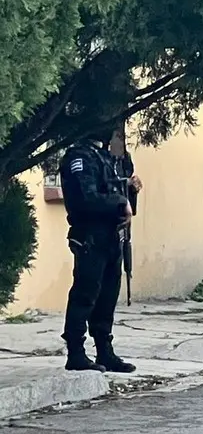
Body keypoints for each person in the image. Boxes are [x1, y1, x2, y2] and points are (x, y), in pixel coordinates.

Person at [58, 124, 142, 373]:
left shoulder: (105, 157)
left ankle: (104, 351)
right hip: (90, 237)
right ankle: (76, 353)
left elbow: (112, 188)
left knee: (107, 297)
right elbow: (88, 198)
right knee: (85, 294)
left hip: (111, 237)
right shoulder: (79, 157)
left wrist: (129, 187)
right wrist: (120, 200)